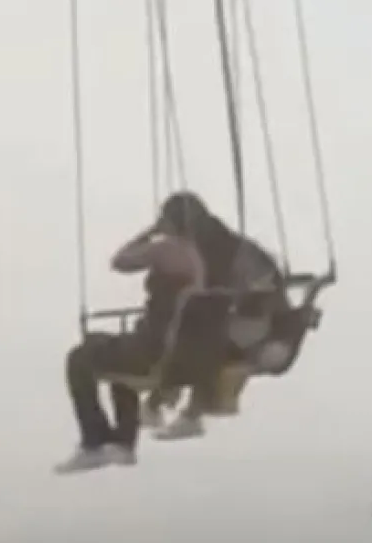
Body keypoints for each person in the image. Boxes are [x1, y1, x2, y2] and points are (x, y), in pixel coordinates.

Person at [55, 206, 206, 474]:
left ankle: (95, 442)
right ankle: (123, 442)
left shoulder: (166, 249)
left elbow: (120, 261)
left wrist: (149, 233)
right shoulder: (196, 257)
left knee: (78, 358)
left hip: (150, 350)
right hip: (166, 350)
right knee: (114, 357)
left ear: (169, 221)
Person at [148, 191, 286, 441]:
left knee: (201, 329)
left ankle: (187, 410)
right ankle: (165, 399)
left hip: (261, 320)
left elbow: (211, 292)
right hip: (244, 314)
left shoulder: (216, 247)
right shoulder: (212, 239)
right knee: (194, 323)